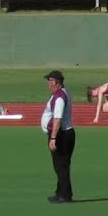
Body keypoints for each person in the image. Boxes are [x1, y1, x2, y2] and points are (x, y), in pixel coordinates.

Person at [41, 70, 75, 204]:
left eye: (49, 81)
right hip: (64, 133)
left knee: (61, 165)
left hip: (61, 135)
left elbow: (57, 118)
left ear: (54, 82)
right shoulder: (60, 94)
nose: (48, 84)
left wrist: (53, 138)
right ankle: (61, 192)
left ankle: (65, 195)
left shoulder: (59, 97)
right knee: (62, 165)